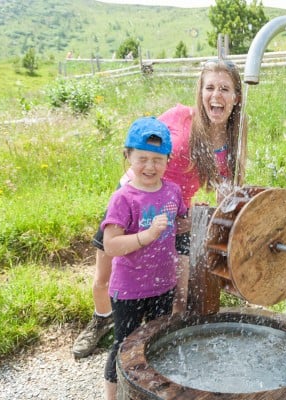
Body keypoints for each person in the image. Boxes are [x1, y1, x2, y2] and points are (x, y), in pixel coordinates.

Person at [72, 58, 247, 358]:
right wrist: (127, 196)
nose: (215, 96)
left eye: (224, 89)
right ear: (199, 91)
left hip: (170, 216)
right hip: (132, 205)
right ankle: (101, 321)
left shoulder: (234, 138)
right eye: (209, 88)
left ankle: (159, 351)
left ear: (236, 96)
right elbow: (141, 143)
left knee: (176, 293)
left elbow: (227, 191)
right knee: (105, 278)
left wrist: (196, 219)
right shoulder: (179, 117)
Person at [100, 116, 187, 400]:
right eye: (142, 159)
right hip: (128, 291)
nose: (150, 166)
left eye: (157, 160)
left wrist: (200, 217)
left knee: (157, 343)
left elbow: (181, 224)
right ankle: (112, 397)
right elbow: (111, 245)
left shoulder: (173, 191)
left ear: (167, 160)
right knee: (124, 346)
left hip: (164, 285)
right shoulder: (124, 198)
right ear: (128, 156)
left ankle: (151, 394)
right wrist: (146, 236)